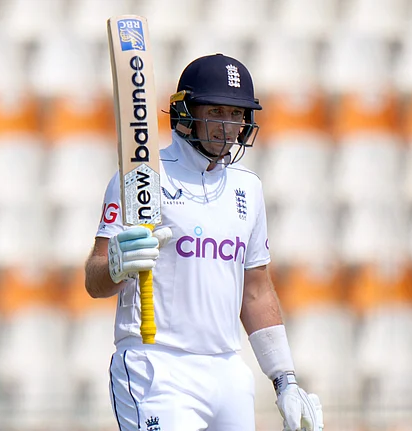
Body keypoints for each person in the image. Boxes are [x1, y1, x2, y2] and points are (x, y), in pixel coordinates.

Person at [84, 53, 324, 431]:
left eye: (236, 114)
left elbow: (256, 291)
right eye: (215, 111)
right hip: (157, 366)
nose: (227, 126)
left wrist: (285, 380)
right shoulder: (144, 177)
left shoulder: (248, 188)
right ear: (186, 113)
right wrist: (116, 264)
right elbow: (94, 280)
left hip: (228, 371)